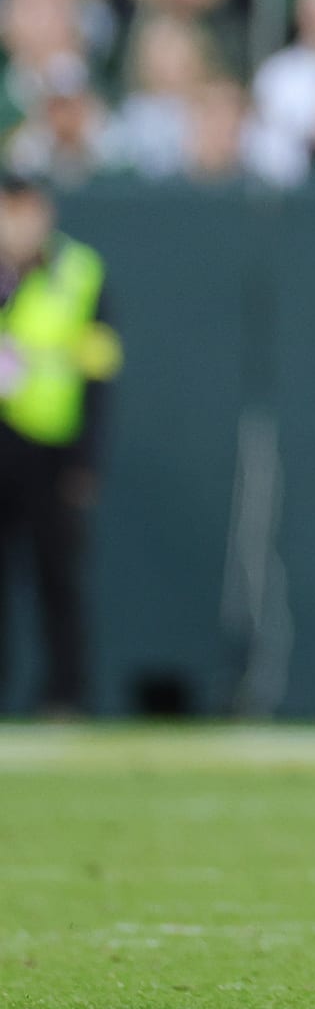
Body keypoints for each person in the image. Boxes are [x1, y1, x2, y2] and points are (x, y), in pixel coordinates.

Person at [0, 170, 120, 716]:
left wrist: (85, 459)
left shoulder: (80, 270)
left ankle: (65, 694)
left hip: (51, 444)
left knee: (57, 577)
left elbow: (98, 371)